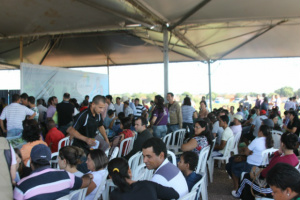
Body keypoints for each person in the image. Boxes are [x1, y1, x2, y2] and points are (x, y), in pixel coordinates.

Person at [14, 144, 93, 200]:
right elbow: (85, 182)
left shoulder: (22, 186)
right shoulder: (67, 176)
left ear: (31, 160)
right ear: (49, 160)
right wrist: (89, 176)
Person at [236, 132, 299, 199]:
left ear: (282, 144)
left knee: (246, 177)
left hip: (270, 189)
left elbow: (264, 174)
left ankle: (238, 194)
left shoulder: (280, 160)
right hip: (282, 187)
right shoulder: (295, 158)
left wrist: (277, 153)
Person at [228, 124, 273, 197]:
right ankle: (240, 184)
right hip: (263, 166)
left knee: (233, 166)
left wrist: (249, 151)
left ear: (261, 132)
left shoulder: (257, 140)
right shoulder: (270, 141)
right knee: (232, 161)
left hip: (251, 166)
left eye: (258, 130)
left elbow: (246, 152)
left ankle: (237, 189)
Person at [108, 157, 179, 200]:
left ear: (110, 177)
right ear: (129, 171)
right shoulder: (148, 185)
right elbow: (174, 194)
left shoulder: (114, 195)